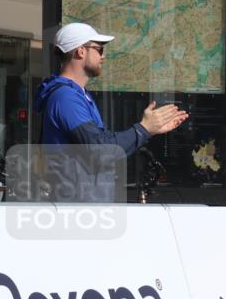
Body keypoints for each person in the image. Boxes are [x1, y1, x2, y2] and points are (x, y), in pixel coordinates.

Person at [35, 22, 187, 201]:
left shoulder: (78, 95)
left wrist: (148, 130)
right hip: (75, 211)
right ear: (81, 51)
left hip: (84, 209)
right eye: (99, 49)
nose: (103, 56)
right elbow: (100, 151)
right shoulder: (66, 97)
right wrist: (143, 129)